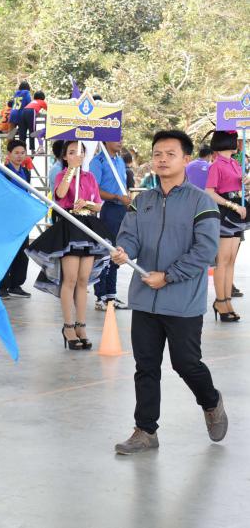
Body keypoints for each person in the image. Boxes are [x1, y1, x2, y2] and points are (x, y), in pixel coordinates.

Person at [111, 129, 226, 454]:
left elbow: (206, 250)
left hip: (182, 301)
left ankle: (211, 401)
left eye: (170, 154)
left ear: (185, 159)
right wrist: (124, 251)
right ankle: (145, 430)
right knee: (145, 367)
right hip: (145, 299)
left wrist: (170, 276)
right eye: (157, 154)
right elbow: (130, 237)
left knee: (186, 363)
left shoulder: (201, 201)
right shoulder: (142, 201)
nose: (162, 159)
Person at [26, 141, 112, 351]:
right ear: (65, 156)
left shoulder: (89, 177)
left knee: (83, 280)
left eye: (80, 152)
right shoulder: (61, 174)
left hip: (88, 227)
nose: (77, 155)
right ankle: (68, 326)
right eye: (72, 152)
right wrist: (71, 170)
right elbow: (61, 195)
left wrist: (87, 204)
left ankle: (81, 326)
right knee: (70, 279)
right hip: (69, 227)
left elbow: (98, 205)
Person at [204, 130, 248, 322]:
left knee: (231, 261)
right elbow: (209, 192)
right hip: (225, 212)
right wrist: (232, 205)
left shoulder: (235, 163)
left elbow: (238, 186)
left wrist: (246, 181)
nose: (237, 143)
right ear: (227, 142)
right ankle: (220, 301)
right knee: (222, 261)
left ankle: (227, 301)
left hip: (237, 212)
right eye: (235, 140)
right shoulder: (216, 165)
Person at [89, 140, 130, 311]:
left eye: (121, 137)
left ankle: (111, 296)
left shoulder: (119, 160)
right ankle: (101, 296)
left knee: (117, 252)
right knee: (104, 253)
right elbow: (94, 189)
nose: (120, 141)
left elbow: (122, 185)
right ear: (106, 140)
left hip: (121, 210)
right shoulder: (98, 162)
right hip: (106, 209)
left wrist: (125, 198)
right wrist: (117, 197)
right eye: (116, 138)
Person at [0, 140, 33, 299]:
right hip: (7, 219)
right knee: (6, 253)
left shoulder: (26, 172)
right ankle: (2, 285)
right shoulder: (3, 172)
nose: (20, 156)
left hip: (22, 219)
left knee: (22, 252)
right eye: (16, 153)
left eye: (22, 153)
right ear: (9, 154)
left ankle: (16, 284)